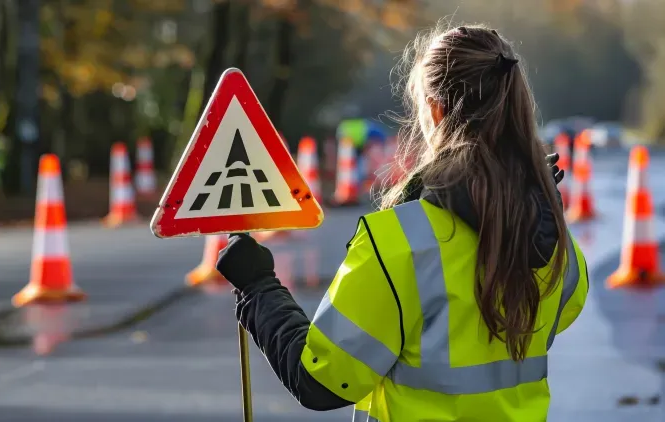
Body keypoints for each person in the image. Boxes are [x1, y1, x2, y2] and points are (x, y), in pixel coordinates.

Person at [216, 24, 589, 422]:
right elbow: (557, 315)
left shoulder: (397, 243)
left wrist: (258, 289)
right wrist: (525, 194)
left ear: (435, 109)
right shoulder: (555, 240)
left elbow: (322, 380)